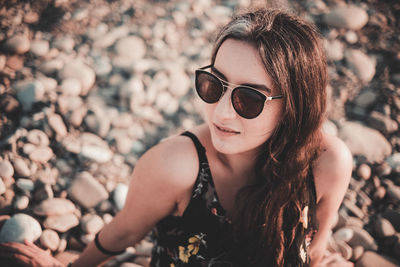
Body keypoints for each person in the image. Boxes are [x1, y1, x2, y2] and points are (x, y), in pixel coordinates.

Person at [0, 7, 353, 267]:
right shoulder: (176, 166)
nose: (222, 112)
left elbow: (316, 244)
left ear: (295, 106)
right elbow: (122, 233)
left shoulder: (327, 163)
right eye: (213, 85)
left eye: (249, 99)